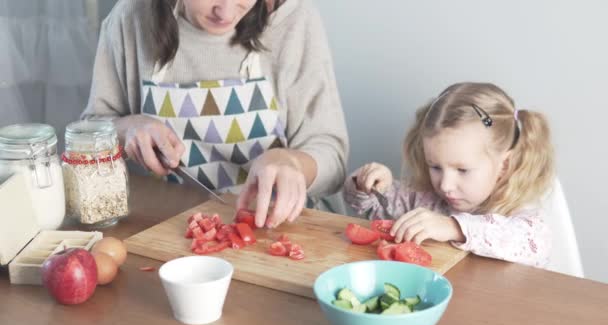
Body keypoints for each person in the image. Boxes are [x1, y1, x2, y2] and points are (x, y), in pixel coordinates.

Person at [81, 0, 349, 228]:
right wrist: (127, 128)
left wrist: (293, 163)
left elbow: (332, 157)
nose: (227, 13)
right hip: (169, 227)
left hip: (279, 226)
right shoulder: (130, 19)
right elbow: (87, 134)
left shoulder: (294, 22)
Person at [344, 82, 555, 268]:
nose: (445, 185)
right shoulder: (423, 200)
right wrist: (368, 185)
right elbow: (369, 206)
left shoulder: (519, 213)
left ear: (504, 164)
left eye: (462, 170)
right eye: (435, 167)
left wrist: (453, 227)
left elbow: (534, 244)